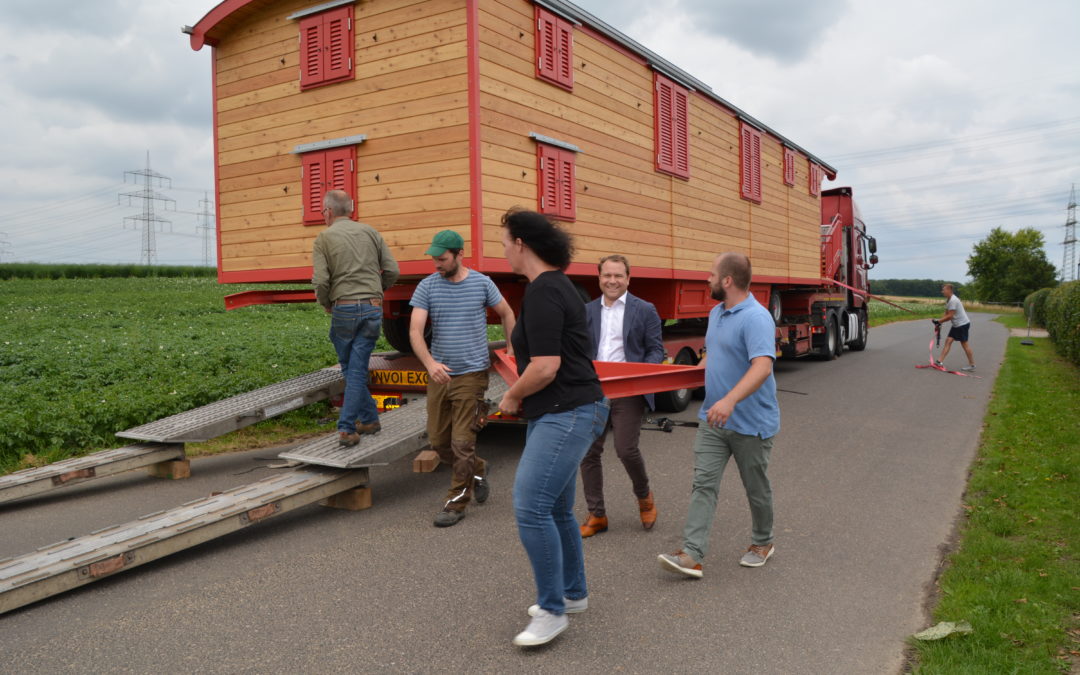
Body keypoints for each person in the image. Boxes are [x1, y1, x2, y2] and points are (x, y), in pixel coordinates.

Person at [497, 209, 610, 647]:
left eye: (505, 240)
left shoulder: (545, 291)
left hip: (566, 410)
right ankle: (572, 593)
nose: (503, 248)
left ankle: (552, 610)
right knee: (558, 510)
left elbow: (545, 366)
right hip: (565, 408)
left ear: (522, 243)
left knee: (530, 506)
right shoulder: (557, 287)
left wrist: (511, 396)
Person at [658, 252, 779, 579]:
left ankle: (763, 542)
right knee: (703, 484)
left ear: (727, 280)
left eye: (711, 275)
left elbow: (763, 367)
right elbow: (715, 353)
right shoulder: (717, 312)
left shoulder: (756, 317)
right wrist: (687, 377)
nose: (706, 280)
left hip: (751, 424)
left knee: (755, 487)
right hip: (713, 420)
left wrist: (729, 400)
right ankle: (692, 554)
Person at [409, 229, 516, 527]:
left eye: (442, 259)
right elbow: (415, 331)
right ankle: (478, 469)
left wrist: (511, 349)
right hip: (440, 374)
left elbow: (507, 313)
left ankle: (456, 503)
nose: (436, 264)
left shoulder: (482, 284)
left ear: (459, 255)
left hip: (472, 373)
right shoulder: (427, 286)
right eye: (434, 259)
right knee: (439, 441)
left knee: (461, 442)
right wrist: (430, 364)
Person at [579, 254, 663, 537]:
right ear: (599, 278)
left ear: (628, 278)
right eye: (607, 275)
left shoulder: (645, 309)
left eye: (618, 276)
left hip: (628, 388)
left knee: (626, 449)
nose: (612, 281)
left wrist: (641, 374)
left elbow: (655, 350)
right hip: (593, 389)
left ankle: (644, 497)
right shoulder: (586, 310)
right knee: (588, 452)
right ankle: (597, 514)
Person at [312, 190, 399, 447]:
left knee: (352, 368)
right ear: (349, 210)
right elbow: (393, 270)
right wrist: (376, 292)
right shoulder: (371, 233)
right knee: (356, 367)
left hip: (344, 309)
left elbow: (321, 281)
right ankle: (370, 419)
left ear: (328, 211)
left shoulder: (324, 237)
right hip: (372, 308)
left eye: (322, 212)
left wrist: (327, 303)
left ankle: (347, 428)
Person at [934, 283, 975, 371]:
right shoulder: (948, 300)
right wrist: (939, 322)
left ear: (949, 290)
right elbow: (946, 314)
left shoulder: (953, 300)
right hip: (957, 325)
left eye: (944, 290)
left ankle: (972, 365)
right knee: (948, 341)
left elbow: (950, 316)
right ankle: (939, 361)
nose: (942, 291)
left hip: (962, 324)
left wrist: (939, 321)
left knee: (964, 345)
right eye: (942, 290)